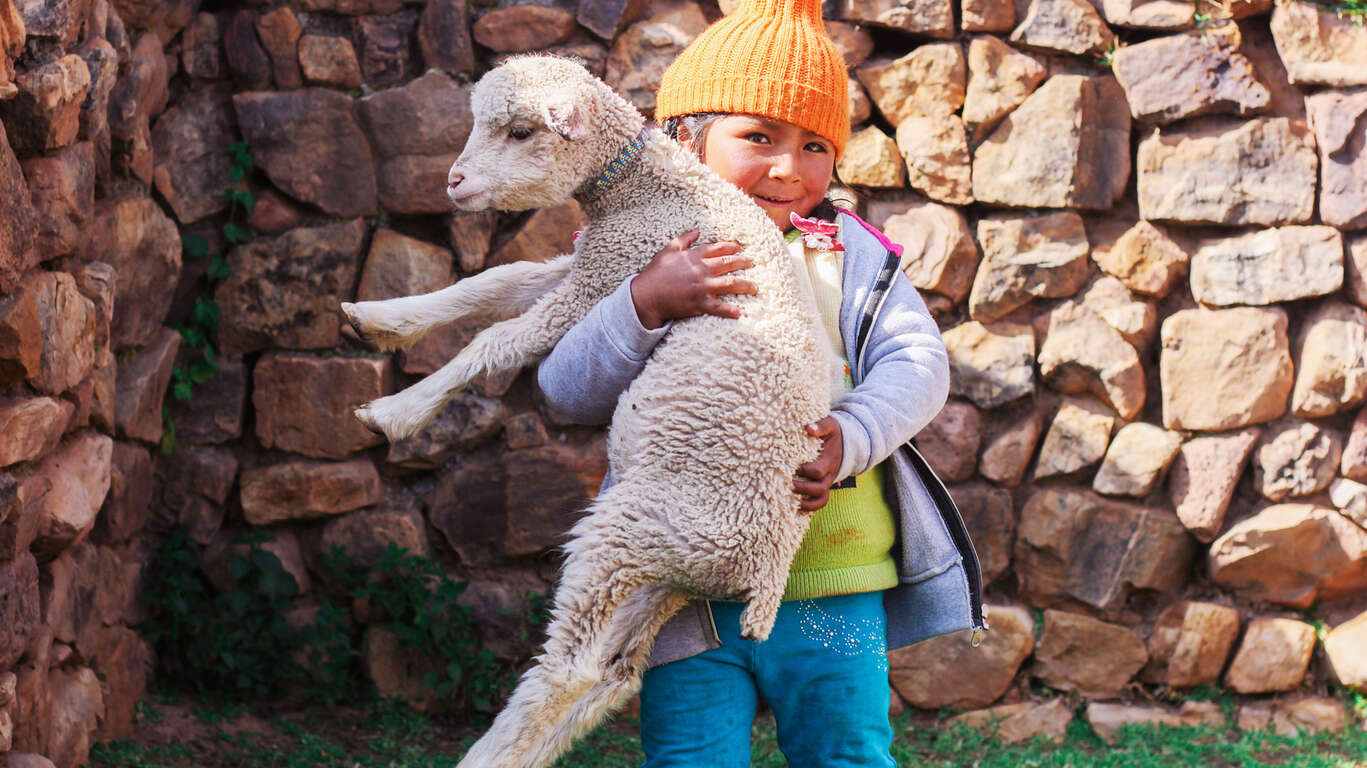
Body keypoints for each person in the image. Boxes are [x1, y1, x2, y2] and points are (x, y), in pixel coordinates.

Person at [537, 0, 985, 763]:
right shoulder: (649, 259)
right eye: (758, 136)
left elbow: (917, 364)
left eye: (815, 146)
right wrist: (643, 304)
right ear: (683, 141)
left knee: (843, 751)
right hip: (682, 591)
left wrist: (847, 439)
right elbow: (564, 392)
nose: (788, 167)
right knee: (688, 756)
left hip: (831, 585)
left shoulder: (846, 257)